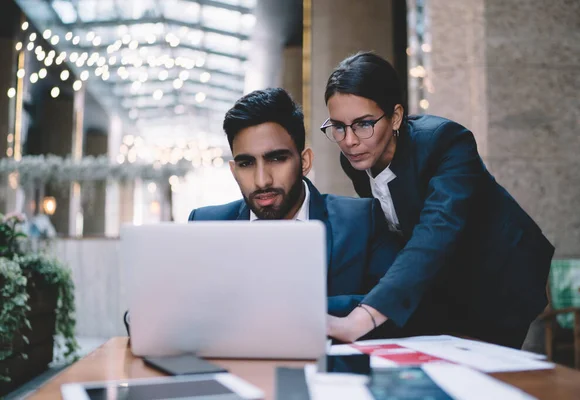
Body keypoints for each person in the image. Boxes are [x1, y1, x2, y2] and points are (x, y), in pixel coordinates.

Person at [126, 88, 403, 341]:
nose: (261, 180)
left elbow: (398, 307)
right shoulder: (206, 224)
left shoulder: (361, 219)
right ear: (234, 170)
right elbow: (152, 316)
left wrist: (273, 310)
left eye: (276, 158)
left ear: (304, 161)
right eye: (247, 163)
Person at [320, 52, 554, 348]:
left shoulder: (446, 142)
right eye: (338, 126)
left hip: (500, 274)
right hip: (442, 281)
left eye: (363, 123)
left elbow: (435, 232)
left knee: (485, 373)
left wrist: (363, 317)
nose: (350, 140)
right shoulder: (356, 160)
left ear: (395, 117)